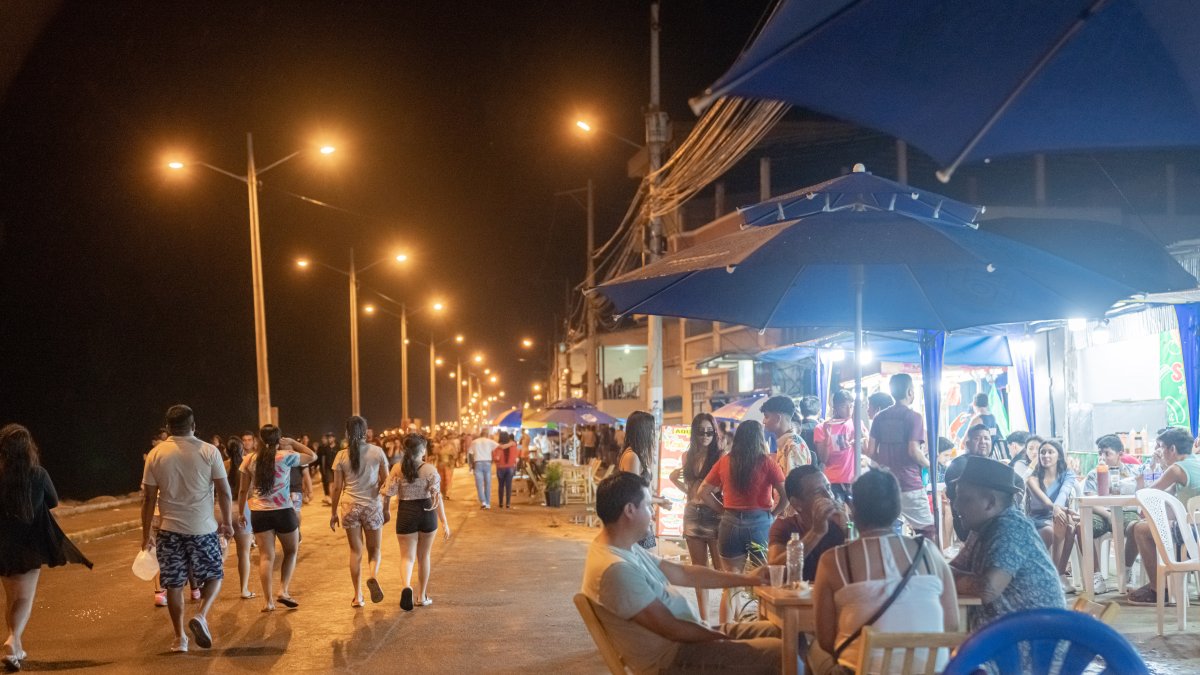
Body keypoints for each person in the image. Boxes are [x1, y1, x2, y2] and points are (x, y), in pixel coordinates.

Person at [581, 472, 782, 674]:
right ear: (630, 510)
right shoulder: (615, 569)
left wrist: (750, 579)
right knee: (780, 652)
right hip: (673, 659)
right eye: (649, 505)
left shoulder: (624, 547)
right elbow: (672, 628)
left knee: (783, 631)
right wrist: (729, 642)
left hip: (691, 638)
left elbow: (685, 574)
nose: (653, 513)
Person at [809, 470, 958, 674]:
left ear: (853, 509)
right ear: (898, 511)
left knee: (812, 647)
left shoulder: (833, 561)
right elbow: (951, 627)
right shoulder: (929, 552)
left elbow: (827, 640)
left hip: (861, 671)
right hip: (931, 671)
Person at [1, 424, 92, 670]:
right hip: (30, 543)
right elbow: (52, 500)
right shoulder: (38, 473)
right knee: (25, 598)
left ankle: (15, 648)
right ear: (28, 448)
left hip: (3, 544)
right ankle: (11, 640)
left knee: (11, 598)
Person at [141, 405, 231, 652]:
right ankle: (201, 615)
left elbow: (148, 498)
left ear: (168, 427)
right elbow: (224, 490)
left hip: (169, 530)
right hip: (202, 528)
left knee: (173, 584)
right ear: (193, 426)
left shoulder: (155, 454)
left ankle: (179, 638)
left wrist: (146, 534)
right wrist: (227, 523)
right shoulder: (209, 451)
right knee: (214, 575)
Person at [949, 456, 1065, 630]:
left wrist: (940, 572)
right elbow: (956, 567)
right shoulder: (982, 528)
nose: (956, 506)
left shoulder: (1011, 527)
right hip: (1007, 636)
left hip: (1033, 643)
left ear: (990, 502)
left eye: (965, 499)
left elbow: (988, 589)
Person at [236, 425, 315, 612]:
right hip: (283, 511)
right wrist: (293, 443)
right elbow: (312, 456)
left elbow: (242, 490)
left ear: (259, 440)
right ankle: (283, 590)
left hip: (259, 513)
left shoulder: (249, 459)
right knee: (291, 551)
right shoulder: (285, 456)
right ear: (279, 439)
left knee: (266, 557)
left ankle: (268, 601)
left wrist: (241, 512)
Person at [698, 421, 787, 572]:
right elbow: (786, 494)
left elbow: (703, 492)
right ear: (759, 438)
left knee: (731, 581)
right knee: (762, 580)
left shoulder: (725, 461)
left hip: (730, 524)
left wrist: (722, 510)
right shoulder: (767, 463)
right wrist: (773, 514)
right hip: (761, 524)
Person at [1125, 427, 1200, 605]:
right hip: (1195, 525)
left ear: (1172, 449)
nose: (1158, 452)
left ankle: (1158, 589)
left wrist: (1141, 482)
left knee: (1140, 529)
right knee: (1152, 526)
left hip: (1193, 532)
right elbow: (1171, 497)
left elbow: (1150, 494)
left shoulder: (1176, 469)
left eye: (1160, 447)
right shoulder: (1195, 462)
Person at [668, 413, 725, 624]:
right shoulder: (687, 456)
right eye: (701, 431)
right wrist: (684, 488)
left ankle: (727, 618)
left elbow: (721, 486)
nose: (705, 436)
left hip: (714, 513)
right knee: (699, 569)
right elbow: (690, 487)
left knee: (722, 570)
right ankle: (704, 620)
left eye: (709, 431)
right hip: (692, 513)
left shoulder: (720, 456)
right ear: (694, 433)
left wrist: (707, 493)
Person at [384, 433, 451, 611]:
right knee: (424, 557)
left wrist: (385, 511)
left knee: (407, 557)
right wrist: (444, 522)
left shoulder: (397, 468)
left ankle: (407, 586)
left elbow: (388, 492)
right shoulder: (429, 469)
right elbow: (437, 498)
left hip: (406, 513)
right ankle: (421, 596)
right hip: (427, 513)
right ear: (421, 450)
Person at [329, 415, 390, 608]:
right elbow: (386, 483)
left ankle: (357, 596)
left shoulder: (340, 455)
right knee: (375, 550)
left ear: (347, 433)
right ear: (366, 432)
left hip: (349, 506)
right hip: (372, 505)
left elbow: (337, 487)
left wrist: (333, 513)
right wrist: (385, 506)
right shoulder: (377, 452)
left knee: (355, 551)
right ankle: (372, 576)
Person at [865, 374, 936, 539]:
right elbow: (913, 451)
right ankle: (927, 563)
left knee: (890, 532)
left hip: (886, 484)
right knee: (927, 532)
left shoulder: (879, 417)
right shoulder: (914, 417)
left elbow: (870, 452)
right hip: (909, 483)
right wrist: (929, 464)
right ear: (910, 391)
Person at [1080, 434, 1140, 595]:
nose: (1103, 457)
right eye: (1100, 453)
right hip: (1101, 513)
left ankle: (1125, 570)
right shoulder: (1094, 474)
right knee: (1083, 527)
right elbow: (1090, 498)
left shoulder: (1134, 472)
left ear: (1120, 453)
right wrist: (1107, 514)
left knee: (1137, 528)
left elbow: (1144, 488)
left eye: (1107, 453)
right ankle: (1096, 575)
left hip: (1126, 512)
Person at [767, 466, 847, 583]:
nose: (829, 496)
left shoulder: (840, 523)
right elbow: (773, 573)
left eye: (828, 488)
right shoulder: (785, 526)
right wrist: (816, 533)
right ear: (797, 504)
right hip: (797, 599)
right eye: (818, 492)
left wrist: (847, 529)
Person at [1024, 439, 1078, 593]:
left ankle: (1059, 573)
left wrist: (1059, 509)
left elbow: (1064, 492)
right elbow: (1045, 502)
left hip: (1057, 514)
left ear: (1059, 456)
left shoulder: (1067, 474)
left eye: (1050, 452)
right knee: (1056, 525)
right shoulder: (1032, 479)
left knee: (1069, 525)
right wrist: (1058, 509)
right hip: (1038, 518)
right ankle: (1056, 575)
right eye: (1042, 452)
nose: (1046, 455)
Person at [619, 411, 672, 550]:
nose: (653, 435)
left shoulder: (635, 455)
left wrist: (658, 500)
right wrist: (660, 501)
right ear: (643, 431)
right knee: (645, 566)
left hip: (641, 519)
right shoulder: (632, 457)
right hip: (636, 522)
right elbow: (635, 493)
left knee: (646, 565)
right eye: (651, 430)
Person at [944, 424, 996, 542]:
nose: (983, 442)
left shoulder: (992, 463)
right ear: (968, 444)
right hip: (971, 522)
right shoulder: (959, 465)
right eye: (977, 438)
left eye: (986, 438)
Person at [224, 435, 256, 599]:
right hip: (243, 510)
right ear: (242, 448)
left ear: (226, 451)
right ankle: (244, 589)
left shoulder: (223, 465)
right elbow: (249, 491)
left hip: (222, 512)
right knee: (243, 554)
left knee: (220, 553)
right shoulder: (248, 464)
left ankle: (211, 588)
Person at [813, 390, 860, 503]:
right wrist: (827, 438)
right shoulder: (821, 428)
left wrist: (862, 440)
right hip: (832, 481)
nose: (849, 410)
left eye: (851, 406)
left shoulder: (856, 424)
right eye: (844, 406)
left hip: (853, 481)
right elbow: (823, 459)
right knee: (838, 517)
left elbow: (867, 450)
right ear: (835, 407)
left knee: (856, 517)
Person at [761, 395, 811, 476]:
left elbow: (793, 485)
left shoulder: (793, 446)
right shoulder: (786, 443)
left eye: (766, 417)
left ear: (777, 418)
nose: (763, 421)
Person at [467, 433, 499, 509]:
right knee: (488, 484)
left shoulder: (474, 442)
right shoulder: (490, 441)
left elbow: (470, 454)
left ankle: (483, 502)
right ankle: (488, 503)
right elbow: (498, 447)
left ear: (479, 435)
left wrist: (471, 465)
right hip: (487, 463)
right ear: (487, 435)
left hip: (478, 463)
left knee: (479, 485)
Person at [966, 393, 1002, 459]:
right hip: (992, 455)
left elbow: (965, 441)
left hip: (979, 456)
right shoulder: (993, 417)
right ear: (987, 404)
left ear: (974, 403)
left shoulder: (977, 419)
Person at [493, 432, 520, 509]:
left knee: (501, 486)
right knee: (509, 486)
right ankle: (508, 503)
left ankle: (501, 503)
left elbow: (495, 458)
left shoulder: (497, 447)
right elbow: (516, 454)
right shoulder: (513, 445)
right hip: (510, 467)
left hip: (500, 468)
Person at [798, 395, 821, 466]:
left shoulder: (795, 429)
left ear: (801, 412)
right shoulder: (823, 429)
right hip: (818, 472)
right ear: (819, 411)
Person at [317, 432, 338, 504]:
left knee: (335, 485)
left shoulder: (338, 448)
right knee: (330, 483)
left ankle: (333, 498)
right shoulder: (325, 448)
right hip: (328, 468)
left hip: (336, 469)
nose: (329, 439)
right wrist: (323, 469)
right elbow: (323, 459)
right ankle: (331, 499)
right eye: (328, 438)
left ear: (334, 438)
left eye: (331, 437)